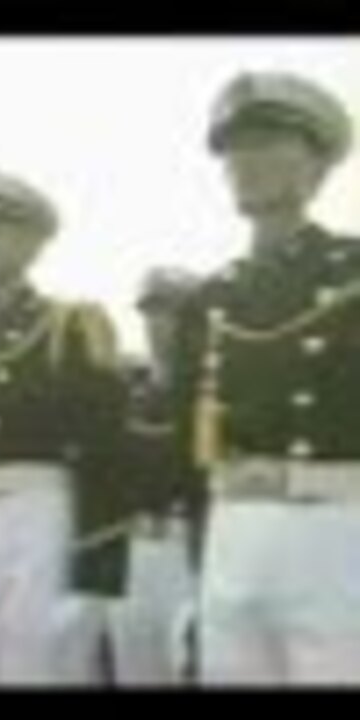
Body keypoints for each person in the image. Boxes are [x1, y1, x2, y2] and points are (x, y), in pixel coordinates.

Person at [172, 71, 360, 685]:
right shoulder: (210, 299)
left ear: (317, 164)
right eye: (235, 149)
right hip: (232, 533)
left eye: (268, 143)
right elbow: (187, 447)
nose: (246, 161)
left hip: (333, 532)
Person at [0, 170, 129, 685]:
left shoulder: (68, 327)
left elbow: (106, 447)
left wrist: (98, 558)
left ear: (32, 241)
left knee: (37, 665)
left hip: (36, 515)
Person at [108, 269, 203, 686]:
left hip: (189, 549)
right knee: (133, 671)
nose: (158, 324)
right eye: (150, 312)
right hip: (134, 551)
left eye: (172, 312)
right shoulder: (127, 392)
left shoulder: (212, 391)